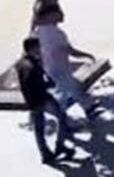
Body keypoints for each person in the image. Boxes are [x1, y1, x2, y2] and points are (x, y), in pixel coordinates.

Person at [32, 3, 102, 119]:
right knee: (64, 97)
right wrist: (87, 55)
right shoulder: (56, 33)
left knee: (74, 89)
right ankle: (61, 123)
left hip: (52, 69)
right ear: (50, 15)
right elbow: (70, 51)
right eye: (58, 12)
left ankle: (88, 109)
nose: (62, 15)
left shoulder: (38, 32)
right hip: (59, 70)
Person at [17, 36, 76, 164]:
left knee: (39, 128)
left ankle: (45, 153)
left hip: (33, 101)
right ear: (32, 48)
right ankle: (59, 145)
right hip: (41, 98)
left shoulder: (23, 62)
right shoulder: (29, 66)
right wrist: (47, 85)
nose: (40, 49)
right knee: (61, 117)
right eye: (38, 47)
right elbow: (32, 83)